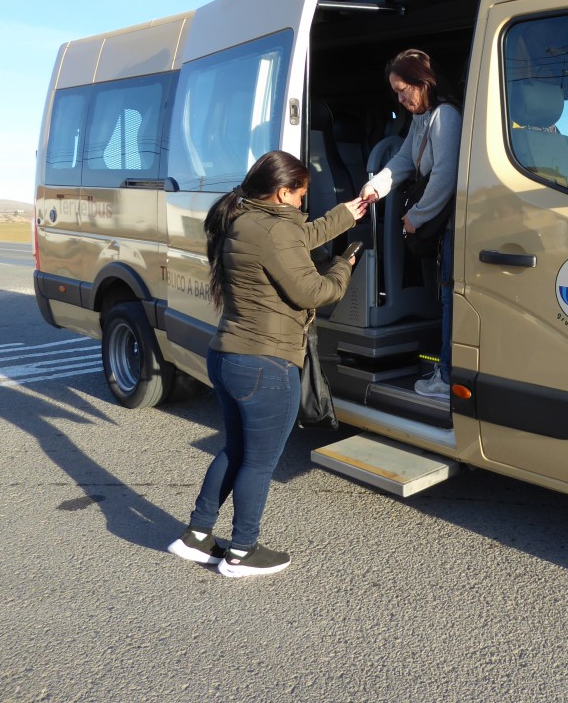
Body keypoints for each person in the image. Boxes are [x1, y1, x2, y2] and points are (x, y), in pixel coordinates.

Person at [168, 150, 368, 577]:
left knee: (236, 451)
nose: (302, 204)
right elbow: (312, 291)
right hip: (264, 364)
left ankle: (197, 535)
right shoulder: (274, 230)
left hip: (229, 357)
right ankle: (241, 552)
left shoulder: (245, 219)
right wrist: (341, 267)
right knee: (258, 463)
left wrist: (345, 214)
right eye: (300, 196)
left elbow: (295, 241)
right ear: (282, 193)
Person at [360, 49, 461, 401]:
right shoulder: (423, 118)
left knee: (450, 298)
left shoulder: (445, 116)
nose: (400, 99)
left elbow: (445, 175)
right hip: (439, 221)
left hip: (449, 224)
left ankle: (447, 377)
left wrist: (414, 217)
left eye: (403, 90)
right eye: (396, 92)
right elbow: (404, 159)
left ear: (423, 83)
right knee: (446, 295)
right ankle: (446, 371)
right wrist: (376, 187)